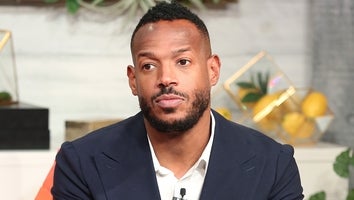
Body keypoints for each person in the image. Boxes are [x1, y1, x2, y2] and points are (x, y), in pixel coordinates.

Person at [52, 1, 304, 199]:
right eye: (149, 66)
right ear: (133, 80)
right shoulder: (82, 162)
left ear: (213, 70)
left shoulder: (272, 165)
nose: (166, 78)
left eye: (183, 62)